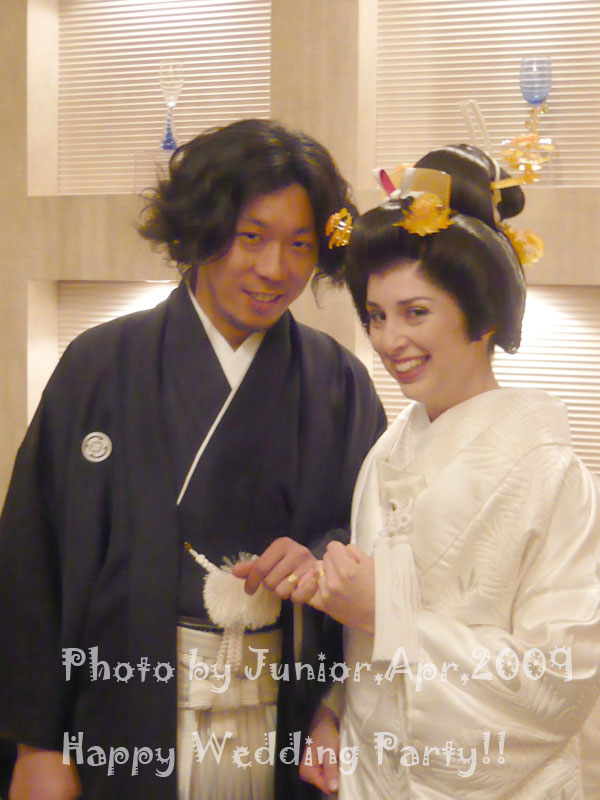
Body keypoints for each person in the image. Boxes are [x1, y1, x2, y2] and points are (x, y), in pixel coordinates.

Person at [0, 118, 386, 800]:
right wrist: (39, 742)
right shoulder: (98, 366)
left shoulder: (338, 383)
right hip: (120, 718)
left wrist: (320, 562)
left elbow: (375, 544)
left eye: (300, 244)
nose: (275, 269)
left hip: (282, 723)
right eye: (251, 237)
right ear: (201, 229)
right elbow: (33, 558)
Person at [298, 144, 600, 798]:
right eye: (376, 316)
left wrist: (391, 615)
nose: (389, 341)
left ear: (483, 315)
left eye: (416, 312)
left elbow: (561, 684)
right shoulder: (387, 452)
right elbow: (369, 643)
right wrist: (334, 711)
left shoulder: (551, 475)